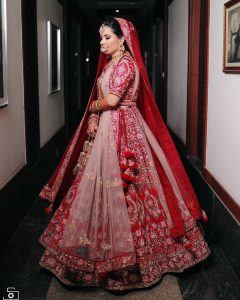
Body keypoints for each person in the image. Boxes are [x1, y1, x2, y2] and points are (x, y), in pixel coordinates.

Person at [38, 17, 210, 291]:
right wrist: (94, 119)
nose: (102, 43)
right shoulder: (109, 65)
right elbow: (101, 96)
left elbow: (112, 101)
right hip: (108, 128)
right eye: (100, 37)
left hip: (124, 129)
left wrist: (93, 108)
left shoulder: (126, 64)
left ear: (123, 38)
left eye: (107, 37)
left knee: (130, 186)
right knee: (99, 187)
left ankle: (139, 255)